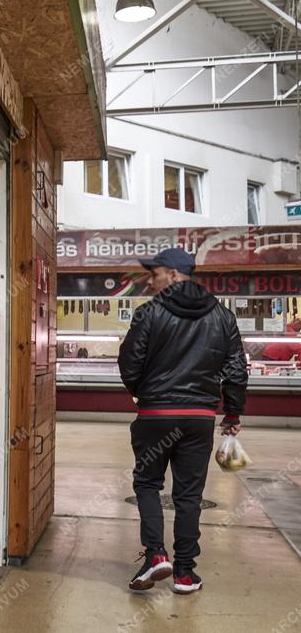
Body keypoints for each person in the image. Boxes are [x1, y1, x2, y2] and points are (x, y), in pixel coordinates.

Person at [118, 247, 247, 595]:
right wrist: (232, 413)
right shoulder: (222, 315)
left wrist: (143, 393)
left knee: (147, 484)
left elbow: (129, 364)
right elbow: (236, 369)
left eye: (154, 273)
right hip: (200, 418)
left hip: (156, 415)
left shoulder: (148, 313)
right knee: (189, 496)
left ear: (173, 274)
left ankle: (156, 555)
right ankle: (185, 573)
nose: (149, 280)